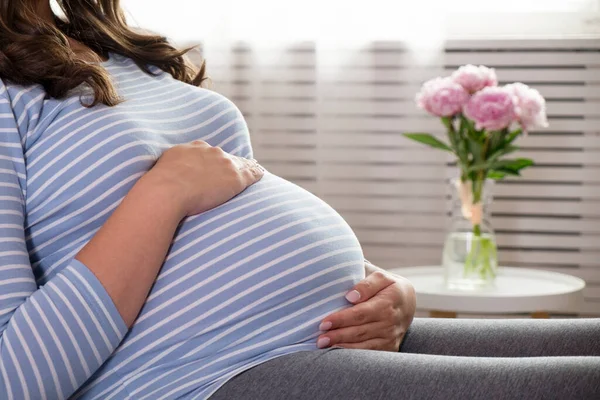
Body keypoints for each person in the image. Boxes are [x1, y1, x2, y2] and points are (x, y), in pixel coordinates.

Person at [0, 1, 598, 399]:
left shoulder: (106, 46)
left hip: (318, 338)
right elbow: (14, 376)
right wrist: (165, 191)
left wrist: (383, 292)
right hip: (200, 375)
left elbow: (226, 214)